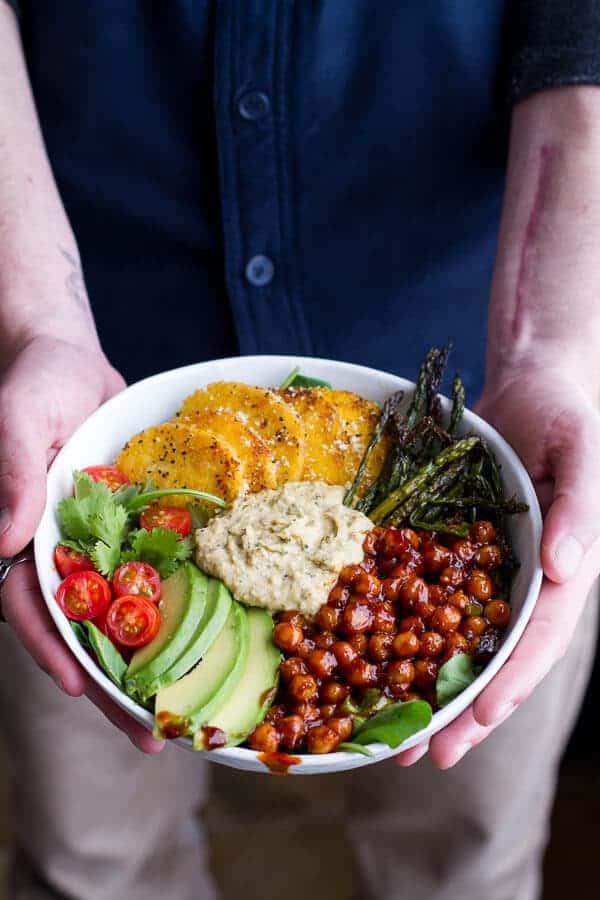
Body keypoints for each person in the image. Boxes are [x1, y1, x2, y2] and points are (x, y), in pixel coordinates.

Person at [0, 2, 599, 899]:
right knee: (91, 860)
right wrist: (35, 320)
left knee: (472, 861)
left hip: (470, 372)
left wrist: (551, 348)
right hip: (83, 362)